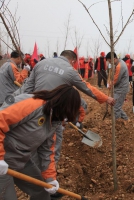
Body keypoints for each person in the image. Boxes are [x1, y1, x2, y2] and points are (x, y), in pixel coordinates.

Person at [14, 50, 115, 199]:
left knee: (35, 149)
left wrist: (15, 104)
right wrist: (106, 98)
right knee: (51, 148)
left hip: (31, 112)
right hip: (54, 115)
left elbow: (27, 88)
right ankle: (48, 182)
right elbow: (87, 87)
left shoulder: (41, 63)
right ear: (73, 61)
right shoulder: (70, 71)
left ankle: (41, 182)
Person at [0, 84, 81, 200]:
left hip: (20, 160)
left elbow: (47, 151)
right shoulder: (33, 104)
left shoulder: (53, 121)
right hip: (3, 158)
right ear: (63, 105)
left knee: (42, 193)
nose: (65, 119)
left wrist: (50, 178)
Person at [106, 52, 129, 120]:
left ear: (114, 58)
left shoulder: (120, 66)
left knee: (116, 107)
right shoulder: (119, 63)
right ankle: (126, 119)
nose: (110, 63)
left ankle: (117, 123)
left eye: (110, 61)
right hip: (119, 88)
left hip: (121, 90)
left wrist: (110, 85)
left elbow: (116, 80)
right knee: (116, 106)